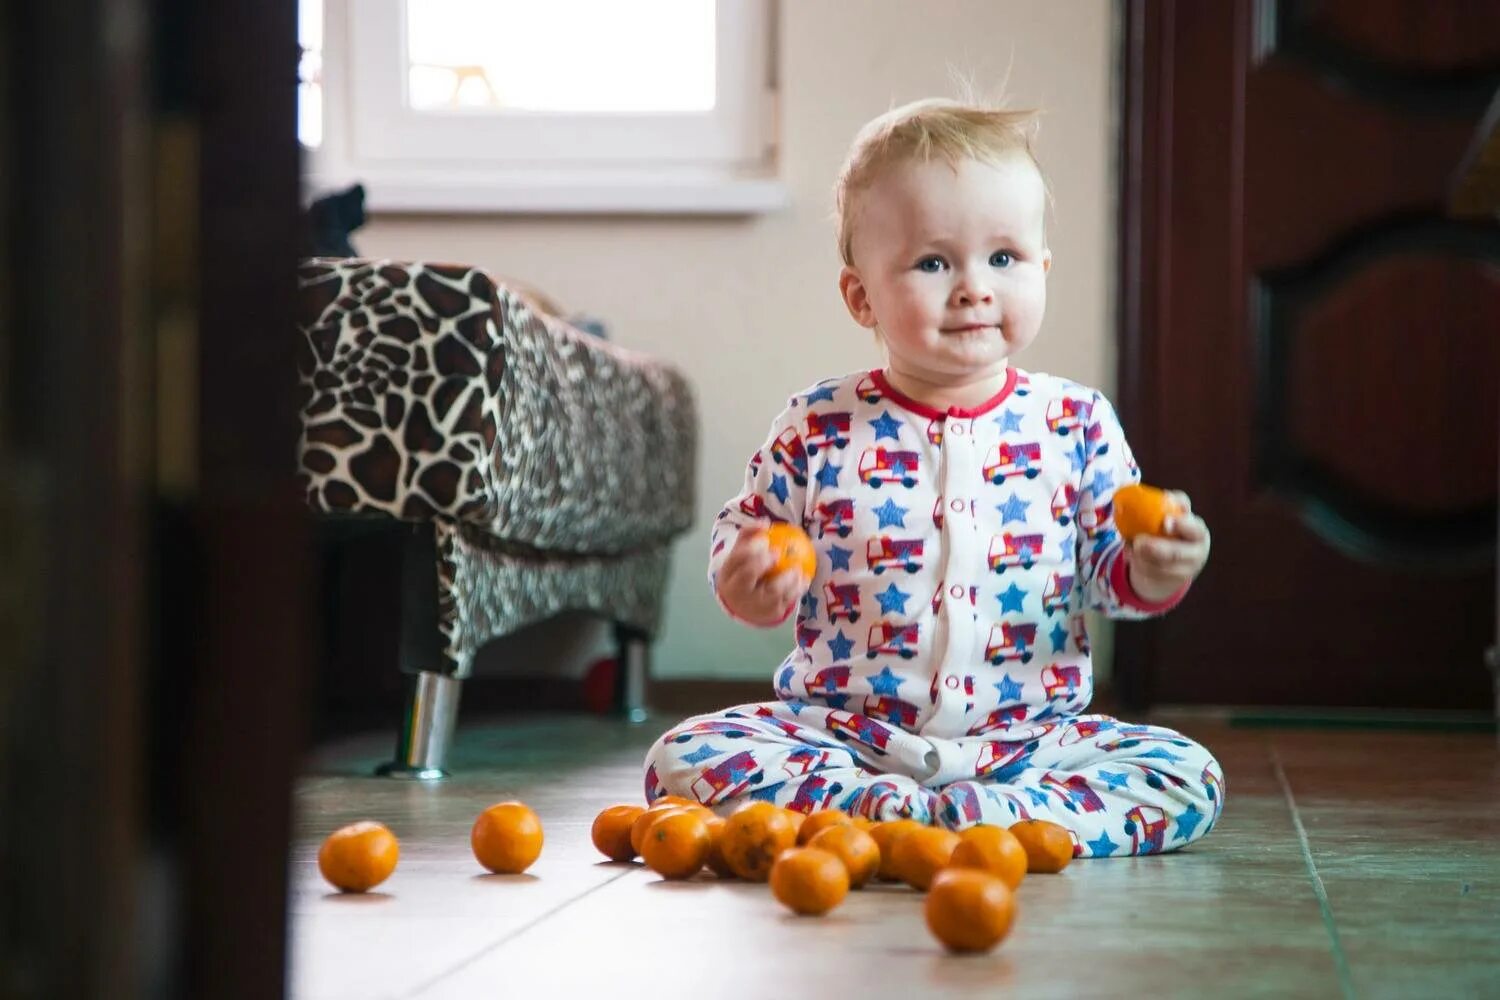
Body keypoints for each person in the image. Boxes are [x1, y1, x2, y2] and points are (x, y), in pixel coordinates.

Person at [644, 99, 1222, 857]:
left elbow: (1108, 577)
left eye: (1004, 259)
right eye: (933, 262)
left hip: (1030, 744)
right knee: (682, 758)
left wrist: (1154, 565)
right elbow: (748, 541)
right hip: (848, 736)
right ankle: (928, 819)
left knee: (1187, 775)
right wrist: (748, 578)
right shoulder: (815, 425)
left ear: (1041, 270)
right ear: (862, 296)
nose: (974, 287)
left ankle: (937, 822)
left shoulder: (1076, 423)